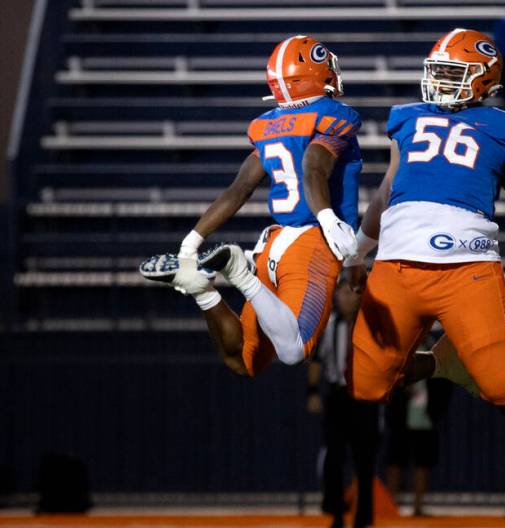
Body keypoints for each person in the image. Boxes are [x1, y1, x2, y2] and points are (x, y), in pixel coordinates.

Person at [345, 28, 505, 417]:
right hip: (396, 266)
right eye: (437, 71)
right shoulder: (407, 119)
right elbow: (385, 192)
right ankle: (442, 362)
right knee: (366, 386)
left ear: (483, 78)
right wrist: (356, 252)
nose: (439, 81)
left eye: (451, 73)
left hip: (466, 268)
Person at [139, 36, 361, 376]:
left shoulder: (267, 126)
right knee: (294, 349)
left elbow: (239, 188)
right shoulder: (333, 115)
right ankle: (239, 272)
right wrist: (330, 220)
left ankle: (202, 290)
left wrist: (190, 243)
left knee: (243, 361)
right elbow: (313, 169)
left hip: (272, 245)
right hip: (312, 242)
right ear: (314, 74)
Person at [307, 279, 379, 528]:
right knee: (334, 459)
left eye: (351, 293)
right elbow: (317, 360)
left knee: (365, 460)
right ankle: (336, 516)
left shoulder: (370, 325)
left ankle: (361, 521)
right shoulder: (329, 326)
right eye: (341, 293)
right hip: (338, 395)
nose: (345, 299)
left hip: (364, 396)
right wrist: (312, 391)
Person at [384, 340, 452, 517]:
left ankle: (418, 507)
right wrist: (402, 387)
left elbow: (443, 382)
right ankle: (391, 506)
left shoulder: (434, 351)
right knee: (396, 460)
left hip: (425, 417)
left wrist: (436, 411)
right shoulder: (400, 352)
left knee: (423, 463)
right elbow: (388, 379)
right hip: (401, 416)